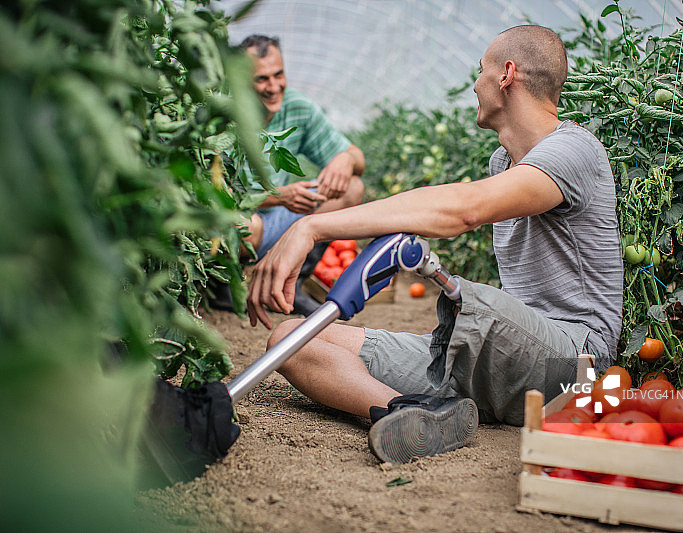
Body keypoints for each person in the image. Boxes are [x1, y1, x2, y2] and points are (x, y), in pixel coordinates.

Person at [246, 25, 623, 465]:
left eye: (480, 71)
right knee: (290, 339)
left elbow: (463, 209)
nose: (475, 85)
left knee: (477, 302)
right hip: (509, 359)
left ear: (506, 75)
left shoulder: (575, 150)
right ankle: (412, 414)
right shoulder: (502, 162)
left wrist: (311, 228)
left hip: (575, 364)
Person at [212, 35, 366, 315]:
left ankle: (292, 284)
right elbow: (214, 197)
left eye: (279, 75)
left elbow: (358, 159)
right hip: (241, 222)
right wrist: (279, 197)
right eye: (262, 79)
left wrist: (345, 159)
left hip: (276, 220)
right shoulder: (222, 115)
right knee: (244, 224)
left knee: (352, 187)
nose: (274, 87)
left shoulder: (297, 107)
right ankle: (224, 284)